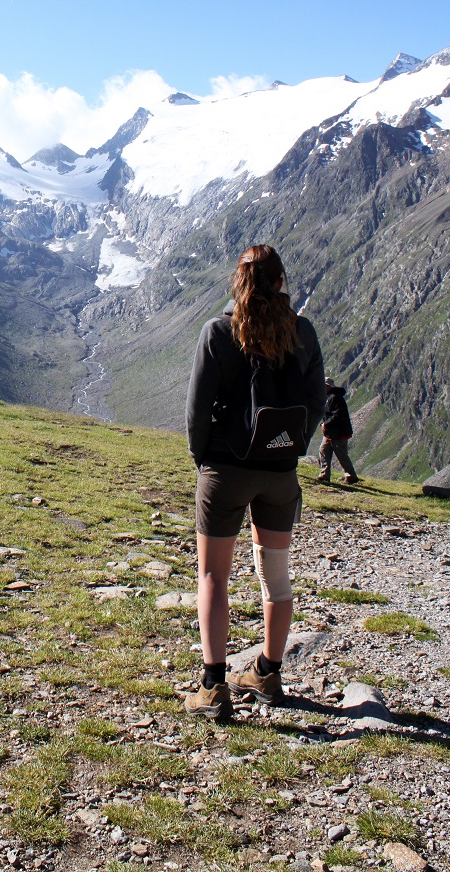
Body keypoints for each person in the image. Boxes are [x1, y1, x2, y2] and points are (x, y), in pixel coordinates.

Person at [184, 244, 326, 720]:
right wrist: (289, 448)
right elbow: (315, 401)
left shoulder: (218, 333)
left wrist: (205, 460)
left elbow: (197, 411)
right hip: (280, 475)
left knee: (212, 576)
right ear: (281, 281)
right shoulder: (302, 333)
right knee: (275, 576)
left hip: (225, 470)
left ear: (237, 282)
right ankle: (268, 671)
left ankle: (213, 685)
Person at [317, 378, 359, 485]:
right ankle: (324, 476)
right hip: (331, 432)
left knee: (341, 455)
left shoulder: (335, 398)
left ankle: (351, 477)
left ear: (328, 386)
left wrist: (325, 424)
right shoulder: (329, 397)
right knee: (324, 451)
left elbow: (338, 415)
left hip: (338, 433)